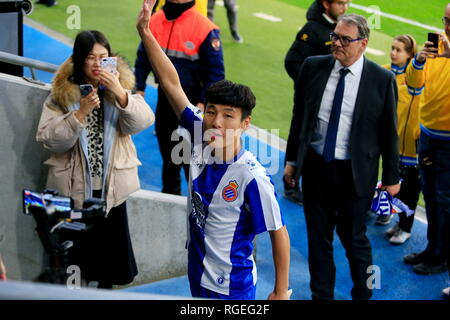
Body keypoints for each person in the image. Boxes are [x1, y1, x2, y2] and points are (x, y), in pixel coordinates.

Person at [137, 0, 291, 300]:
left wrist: (281, 290)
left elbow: (278, 232)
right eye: (211, 111)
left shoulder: (252, 178)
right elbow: (170, 83)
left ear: (245, 123)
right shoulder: (199, 131)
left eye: (228, 115)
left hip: (231, 287)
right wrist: (145, 30)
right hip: (197, 272)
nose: (216, 122)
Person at [284, 14, 400, 300]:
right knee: (318, 240)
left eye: (345, 39)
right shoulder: (313, 67)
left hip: (355, 174)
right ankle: (320, 296)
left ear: (363, 44)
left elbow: (389, 132)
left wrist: (392, 178)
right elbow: (299, 118)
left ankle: (364, 293)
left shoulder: (382, 80)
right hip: (316, 168)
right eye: (335, 36)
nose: (337, 43)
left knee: (356, 241)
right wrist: (292, 161)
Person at [36, 30, 154, 289]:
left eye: (104, 57)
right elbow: (49, 139)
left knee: (109, 272)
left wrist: (121, 95)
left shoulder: (119, 90)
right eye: (91, 57)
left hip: (110, 194)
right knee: (74, 270)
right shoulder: (62, 95)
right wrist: (80, 114)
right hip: (74, 193)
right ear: (79, 60)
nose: (98, 63)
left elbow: (143, 121)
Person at [134, 0, 225, 196]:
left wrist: (203, 103)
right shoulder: (155, 20)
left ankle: (200, 205)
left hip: (193, 104)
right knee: (169, 157)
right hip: (164, 101)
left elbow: (215, 75)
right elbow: (143, 57)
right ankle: (169, 199)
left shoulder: (205, 28)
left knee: (192, 161)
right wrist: (139, 87)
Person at [283, 0, 349, 204]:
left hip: (328, 99)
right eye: (340, 2)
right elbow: (292, 61)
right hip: (308, 101)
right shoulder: (312, 29)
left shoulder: (335, 28)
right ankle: (291, 185)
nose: (345, 7)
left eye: (348, 2)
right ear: (326, 3)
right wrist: (310, 87)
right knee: (299, 138)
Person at [403, 4, 450, 278]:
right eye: (445, 21)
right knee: (431, 195)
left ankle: (442, 256)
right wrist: (419, 60)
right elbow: (414, 85)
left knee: (445, 199)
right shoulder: (438, 50)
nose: (446, 28)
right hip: (428, 136)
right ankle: (433, 248)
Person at [375, 35, 421, 245]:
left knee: (410, 188)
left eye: (399, 50)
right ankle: (392, 217)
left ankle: (406, 227)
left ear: (410, 55)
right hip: (388, 142)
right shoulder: (382, 71)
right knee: (389, 181)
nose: (394, 53)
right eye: (392, 48)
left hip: (410, 145)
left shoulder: (416, 79)